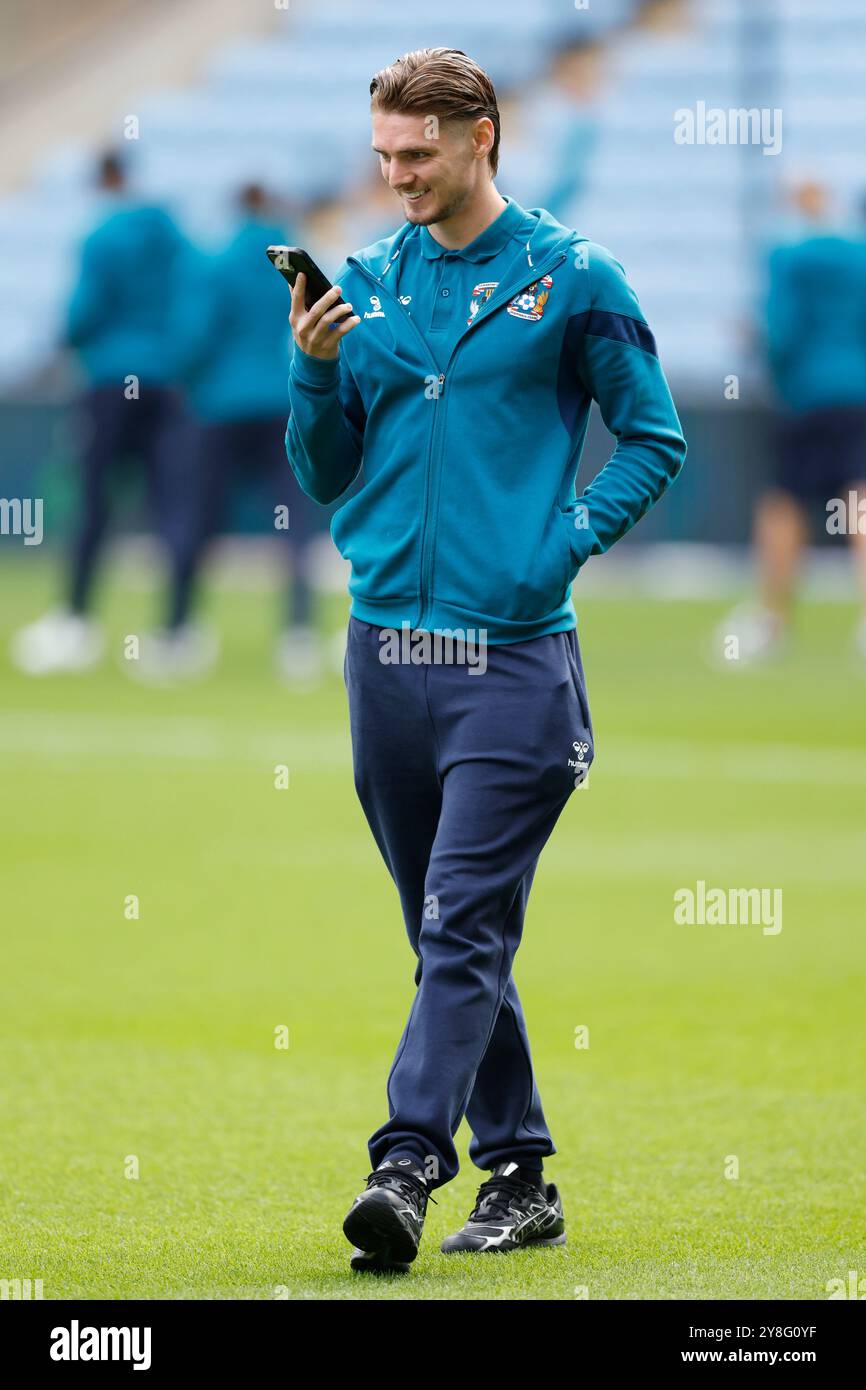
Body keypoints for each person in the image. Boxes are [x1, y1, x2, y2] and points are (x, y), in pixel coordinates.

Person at [285, 48, 686, 1273]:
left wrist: (553, 550)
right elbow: (324, 474)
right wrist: (310, 370)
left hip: (512, 664)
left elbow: (651, 436)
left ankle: (403, 1163)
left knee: (459, 923)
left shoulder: (573, 277)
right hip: (383, 656)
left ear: (482, 138)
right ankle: (521, 1175)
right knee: (447, 934)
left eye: (418, 154)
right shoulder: (362, 286)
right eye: (383, 157)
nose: (397, 177)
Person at [11, 152, 192, 676]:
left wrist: (68, 338)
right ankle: (175, 632)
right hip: (168, 383)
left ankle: (76, 623)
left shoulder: (103, 236)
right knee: (170, 503)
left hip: (112, 382)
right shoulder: (175, 237)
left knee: (95, 501)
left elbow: (81, 314)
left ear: (103, 181)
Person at [163, 184, 327, 685]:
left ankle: (179, 633)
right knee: (293, 525)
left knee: (198, 517)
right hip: (280, 401)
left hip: (219, 406)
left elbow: (193, 336)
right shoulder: (295, 261)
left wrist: (190, 379)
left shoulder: (218, 260)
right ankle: (298, 636)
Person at [721, 181, 866, 663]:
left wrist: (761, 347)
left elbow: (779, 331)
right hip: (859, 392)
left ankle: (772, 618)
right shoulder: (859, 255)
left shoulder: (788, 254)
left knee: (785, 502)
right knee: (859, 499)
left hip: (807, 395)